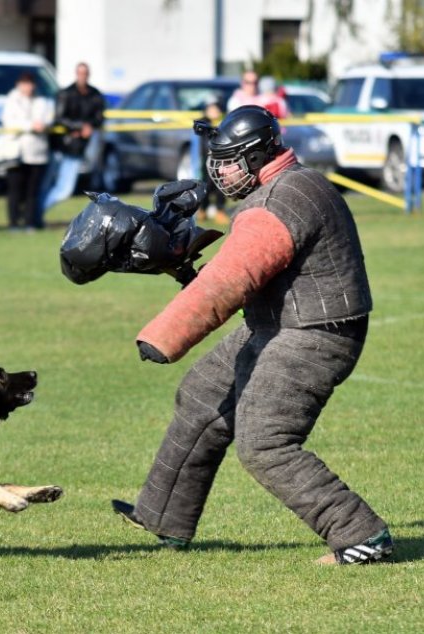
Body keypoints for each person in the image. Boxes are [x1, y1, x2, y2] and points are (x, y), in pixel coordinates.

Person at [112, 106, 393, 565]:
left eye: (229, 160)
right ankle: (162, 517)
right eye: (217, 160)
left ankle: (361, 536)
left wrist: (165, 334)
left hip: (313, 335)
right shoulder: (291, 184)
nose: (220, 170)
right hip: (277, 324)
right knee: (202, 399)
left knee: (265, 443)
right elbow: (258, 272)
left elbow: (233, 277)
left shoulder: (278, 201)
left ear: (261, 154)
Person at [38, 62, 106, 225]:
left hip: (76, 149)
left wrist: (89, 126)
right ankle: (34, 216)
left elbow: (99, 118)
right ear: (76, 74)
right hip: (59, 146)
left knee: (64, 190)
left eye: (85, 73)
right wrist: (79, 126)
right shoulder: (65, 93)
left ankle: (36, 214)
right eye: (80, 73)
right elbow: (59, 118)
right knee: (47, 186)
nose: (83, 76)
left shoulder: (95, 95)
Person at [0, 71, 54, 231]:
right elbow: (9, 122)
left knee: (32, 191)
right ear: (19, 84)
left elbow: (48, 119)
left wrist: (43, 125)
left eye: (30, 83)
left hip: (37, 152)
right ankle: (14, 223)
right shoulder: (11, 100)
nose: (28, 87)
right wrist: (30, 125)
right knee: (15, 190)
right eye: (24, 83)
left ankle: (30, 222)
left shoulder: (42, 101)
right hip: (16, 152)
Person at [196, 100, 227, 224]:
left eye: (216, 109)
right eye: (211, 109)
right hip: (206, 161)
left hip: (220, 160)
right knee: (206, 186)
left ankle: (220, 211)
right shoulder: (203, 123)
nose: (215, 112)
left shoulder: (223, 123)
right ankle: (203, 210)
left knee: (221, 186)